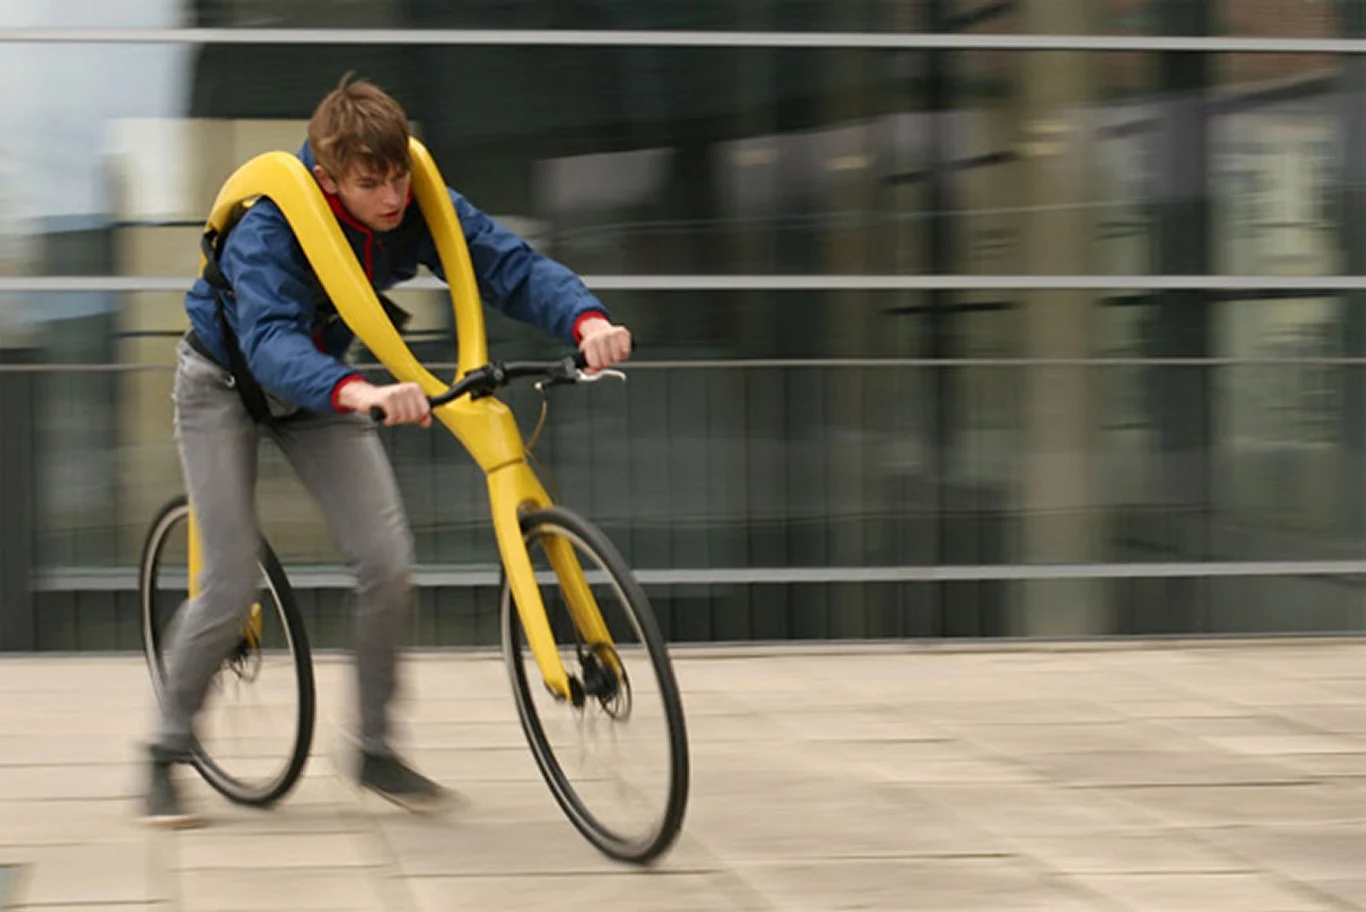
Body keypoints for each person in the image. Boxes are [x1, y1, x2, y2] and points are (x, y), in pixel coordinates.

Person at [141, 73, 633, 828]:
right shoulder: (271, 224)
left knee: (389, 563)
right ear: (329, 179)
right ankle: (165, 748)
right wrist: (361, 393)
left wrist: (585, 320)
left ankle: (372, 746)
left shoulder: (412, 201)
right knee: (231, 579)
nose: (395, 196)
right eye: (372, 183)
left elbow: (507, 264)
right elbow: (269, 344)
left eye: (399, 173)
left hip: (325, 391)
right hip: (225, 386)